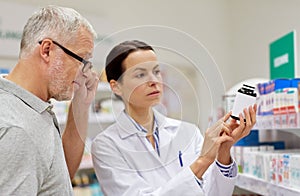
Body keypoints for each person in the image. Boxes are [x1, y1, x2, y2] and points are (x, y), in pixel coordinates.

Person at [91, 40, 257, 196]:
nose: (154, 81)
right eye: (140, 75)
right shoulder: (106, 146)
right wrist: (202, 161)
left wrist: (223, 152)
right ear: (116, 86)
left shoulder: (188, 132)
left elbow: (214, 193)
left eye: (156, 72)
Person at [0, 5, 99, 195]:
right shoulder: (17, 129)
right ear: (46, 51)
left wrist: (81, 104)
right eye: (82, 60)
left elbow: (58, 175)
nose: (86, 73)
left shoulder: (32, 107)